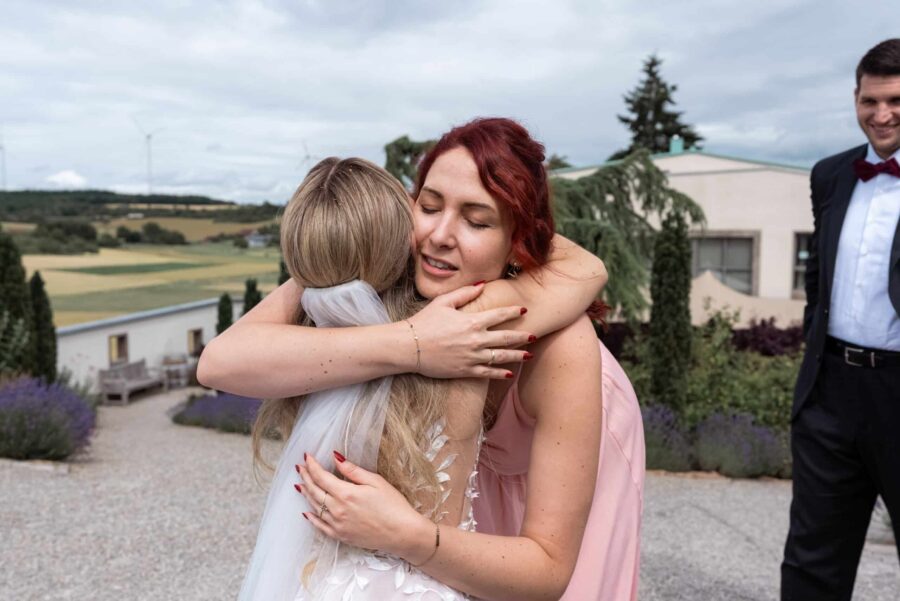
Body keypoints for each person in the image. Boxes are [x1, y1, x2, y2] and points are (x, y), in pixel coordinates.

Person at [200, 117, 644, 600]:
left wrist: (409, 536)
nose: (439, 235)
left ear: (517, 240)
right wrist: (413, 343)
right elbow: (221, 362)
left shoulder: (561, 347)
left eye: (477, 221)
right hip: (452, 524)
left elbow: (549, 569)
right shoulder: (392, 265)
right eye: (428, 207)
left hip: (559, 510)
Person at [239, 156, 495, 600]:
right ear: (401, 243)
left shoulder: (299, 348)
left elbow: (218, 361)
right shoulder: (460, 337)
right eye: (425, 209)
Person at [782, 39, 900, 601]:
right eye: (870, 100)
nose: (882, 115)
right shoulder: (830, 175)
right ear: (855, 98)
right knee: (813, 560)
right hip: (832, 391)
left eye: (896, 100)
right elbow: (817, 282)